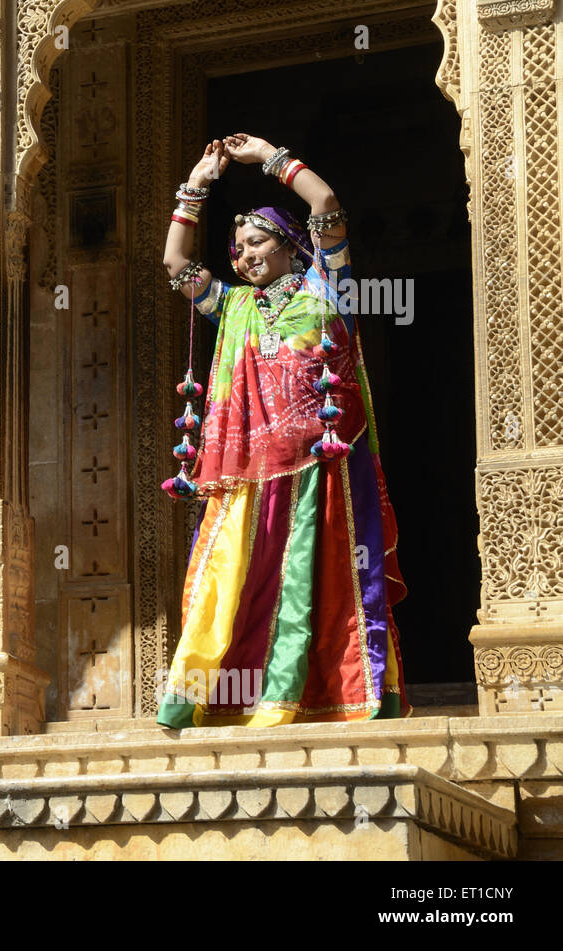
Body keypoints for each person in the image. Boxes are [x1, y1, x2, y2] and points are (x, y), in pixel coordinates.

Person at [157, 133, 408, 727]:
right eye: (236, 248)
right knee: (229, 579)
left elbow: (324, 205)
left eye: (255, 242)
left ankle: (317, 697)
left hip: (317, 470)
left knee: (310, 588)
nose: (242, 257)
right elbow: (174, 264)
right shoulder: (234, 304)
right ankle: (203, 697)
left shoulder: (327, 286)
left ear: (291, 245)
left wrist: (271, 159)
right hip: (244, 472)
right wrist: (196, 185)